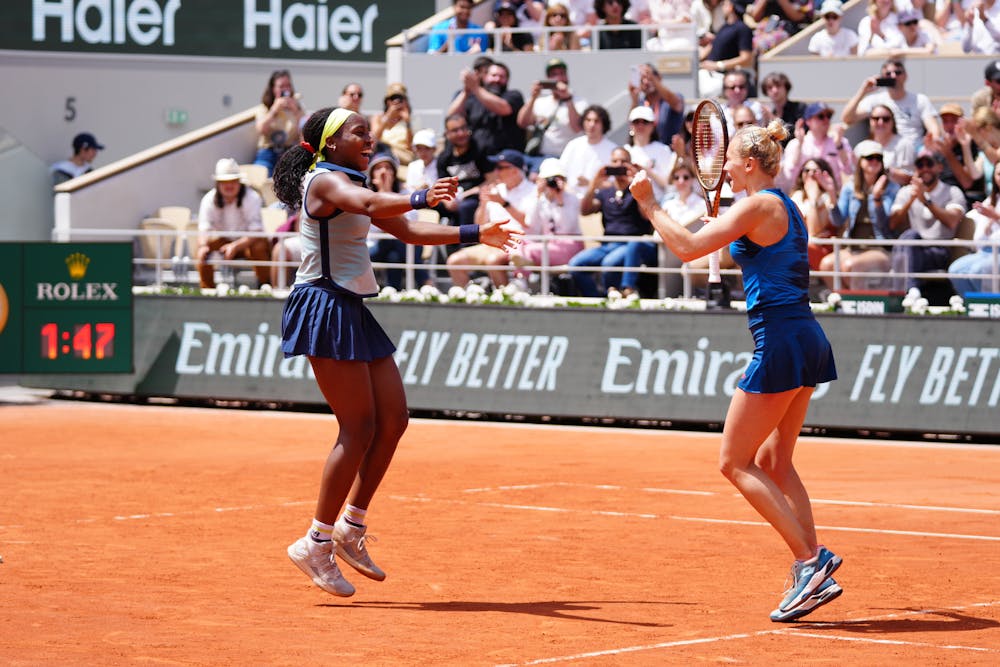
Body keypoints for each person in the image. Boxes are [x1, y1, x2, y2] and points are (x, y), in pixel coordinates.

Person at [272, 107, 520, 597]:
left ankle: (351, 528)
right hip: (323, 306)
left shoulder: (350, 179)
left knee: (394, 418)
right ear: (329, 144)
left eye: (370, 131)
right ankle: (315, 542)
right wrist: (419, 194)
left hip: (351, 307)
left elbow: (408, 230)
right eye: (358, 132)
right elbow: (364, 202)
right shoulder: (325, 182)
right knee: (358, 426)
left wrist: (475, 234)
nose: (370, 138)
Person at [629, 119, 842, 623]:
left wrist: (649, 203)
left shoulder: (757, 205)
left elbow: (684, 248)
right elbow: (719, 249)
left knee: (733, 461)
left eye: (728, 159)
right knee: (775, 462)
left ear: (749, 164)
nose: (720, 165)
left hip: (783, 339)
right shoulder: (778, 205)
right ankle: (811, 570)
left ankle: (811, 562)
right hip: (804, 336)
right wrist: (715, 228)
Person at [568, 147, 652, 296]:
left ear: (630, 164)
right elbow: (585, 210)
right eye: (615, 161)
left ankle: (622, 291)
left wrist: (636, 183)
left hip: (631, 244)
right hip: (608, 244)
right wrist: (594, 183)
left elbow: (647, 215)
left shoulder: (638, 188)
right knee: (576, 265)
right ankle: (597, 299)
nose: (619, 165)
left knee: (609, 263)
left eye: (623, 161)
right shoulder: (605, 191)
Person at [819, 140, 900, 290]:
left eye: (878, 158)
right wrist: (831, 195)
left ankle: (857, 306)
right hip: (853, 247)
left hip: (880, 248)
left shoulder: (891, 188)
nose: (874, 161)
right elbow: (838, 221)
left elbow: (886, 225)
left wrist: (876, 198)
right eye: (870, 158)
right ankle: (844, 304)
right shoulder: (850, 187)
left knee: (851, 266)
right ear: (860, 161)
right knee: (826, 264)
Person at [447, 150, 535, 288]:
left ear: (514, 170)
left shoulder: (533, 191)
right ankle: (474, 300)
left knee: (493, 261)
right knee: (454, 261)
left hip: (518, 245)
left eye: (500, 168)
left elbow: (529, 222)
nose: (496, 172)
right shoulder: (496, 189)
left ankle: (506, 303)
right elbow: (480, 224)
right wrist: (482, 205)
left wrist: (504, 203)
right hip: (492, 242)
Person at [623, 158, 706, 297]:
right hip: (664, 248)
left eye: (686, 177)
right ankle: (627, 288)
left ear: (692, 180)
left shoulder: (701, 205)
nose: (681, 181)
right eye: (676, 177)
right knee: (635, 245)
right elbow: (657, 232)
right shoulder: (669, 204)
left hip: (688, 251)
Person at [889, 147, 969, 290]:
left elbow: (952, 221)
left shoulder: (952, 192)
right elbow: (893, 224)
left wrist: (926, 201)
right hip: (913, 247)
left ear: (940, 167)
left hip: (940, 250)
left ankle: (906, 293)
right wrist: (911, 200)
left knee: (906, 247)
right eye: (920, 165)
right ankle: (911, 290)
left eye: (929, 164)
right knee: (909, 238)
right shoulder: (906, 192)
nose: (925, 169)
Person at [509, 158, 585, 287]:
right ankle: (522, 277)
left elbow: (566, 229)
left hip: (569, 246)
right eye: (549, 179)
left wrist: (560, 201)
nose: (553, 183)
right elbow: (531, 226)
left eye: (557, 178)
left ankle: (521, 280)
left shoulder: (572, 199)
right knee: (518, 241)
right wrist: (538, 196)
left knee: (529, 251)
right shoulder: (539, 200)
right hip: (546, 244)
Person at [195, 158, 271, 289]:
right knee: (202, 253)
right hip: (225, 242)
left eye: (233, 181)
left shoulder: (252, 197)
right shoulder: (209, 199)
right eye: (224, 182)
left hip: (249, 243)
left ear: (239, 182)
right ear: (218, 184)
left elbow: (256, 232)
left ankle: (265, 285)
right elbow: (204, 228)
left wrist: (235, 246)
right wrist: (203, 245)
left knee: (258, 247)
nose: (229, 185)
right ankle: (207, 290)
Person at [840, 58, 942, 150]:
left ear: (905, 75)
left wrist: (930, 146)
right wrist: (863, 91)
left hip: (915, 152)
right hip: (883, 152)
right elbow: (847, 118)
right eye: (888, 74)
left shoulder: (920, 100)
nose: (893, 76)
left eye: (897, 73)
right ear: (883, 77)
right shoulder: (875, 100)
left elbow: (934, 129)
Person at [366, 152, 430, 289]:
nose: (384, 172)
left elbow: (410, 222)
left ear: (394, 174)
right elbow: (378, 227)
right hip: (374, 246)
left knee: (394, 255)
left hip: (399, 244)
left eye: (388, 168)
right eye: (378, 168)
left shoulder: (405, 194)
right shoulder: (366, 196)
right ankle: (426, 282)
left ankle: (392, 291)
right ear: (372, 175)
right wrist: (383, 193)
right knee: (395, 242)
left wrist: (387, 193)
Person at [517, 58, 587, 172]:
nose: (558, 78)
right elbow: (522, 122)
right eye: (554, 75)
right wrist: (533, 97)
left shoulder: (579, 102)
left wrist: (567, 99)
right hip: (541, 158)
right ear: (548, 80)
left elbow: (577, 128)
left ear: (567, 77)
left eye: (562, 74)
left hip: (567, 160)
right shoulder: (540, 102)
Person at [446, 59, 526, 155]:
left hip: (505, 156)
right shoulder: (470, 96)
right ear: (484, 77)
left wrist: (475, 88)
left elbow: (504, 109)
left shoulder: (514, 95)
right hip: (476, 156)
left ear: (507, 80)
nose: (497, 80)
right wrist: (466, 92)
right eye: (493, 76)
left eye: (502, 77)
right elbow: (452, 117)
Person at [780, 102, 854, 192]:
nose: (826, 120)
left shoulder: (840, 142)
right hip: (804, 196)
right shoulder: (796, 144)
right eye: (821, 116)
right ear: (808, 121)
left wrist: (839, 146)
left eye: (829, 116)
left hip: (831, 195)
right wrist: (800, 145)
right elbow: (790, 175)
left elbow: (849, 170)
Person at [948, 167, 1000, 295]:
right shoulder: (992, 200)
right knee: (956, 270)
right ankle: (972, 306)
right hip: (985, 251)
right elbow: (981, 234)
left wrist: (995, 217)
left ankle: (989, 307)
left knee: (977, 270)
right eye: (999, 174)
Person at [926, 103, 987, 204]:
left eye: (954, 121)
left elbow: (967, 183)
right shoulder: (940, 146)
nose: (950, 126)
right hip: (941, 198)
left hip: (968, 201)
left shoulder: (971, 145)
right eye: (945, 121)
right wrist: (929, 152)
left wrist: (948, 153)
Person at [789, 158, 840, 271]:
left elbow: (814, 230)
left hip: (822, 248)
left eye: (815, 171)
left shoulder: (828, 198)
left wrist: (813, 198)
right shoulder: (796, 196)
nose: (810, 174)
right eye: (806, 170)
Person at [254, 70, 306, 176]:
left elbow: (305, 131)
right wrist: (274, 110)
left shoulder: (298, 107)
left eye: (288, 86)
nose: (285, 90)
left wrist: (295, 111)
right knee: (262, 173)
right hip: (268, 151)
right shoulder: (265, 108)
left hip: (290, 151)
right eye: (281, 86)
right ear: (273, 89)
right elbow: (261, 129)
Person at [558, 104, 617, 197]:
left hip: (597, 202)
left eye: (596, 121)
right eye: (588, 120)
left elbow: (615, 184)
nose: (591, 124)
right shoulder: (573, 145)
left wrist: (590, 183)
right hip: (570, 199)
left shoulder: (613, 150)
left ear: (603, 124)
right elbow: (560, 172)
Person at [698, 0, 754, 98]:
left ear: (731, 7)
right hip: (707, 75)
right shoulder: (723, 28)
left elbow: (747, 59)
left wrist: (718, 65)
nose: (722, 7)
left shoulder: (742, 28)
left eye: (724, 4)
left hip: (723, 79)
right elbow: (710, 49)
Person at [627, 62, 686, 149]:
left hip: (670, 153)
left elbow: (676, 104)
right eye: (641, 79)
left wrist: (654, 80)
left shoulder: (671, 99)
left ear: (659, 77)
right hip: (647, 153)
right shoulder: (641, 103)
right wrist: (634, 99)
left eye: (649, 78)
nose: (646, 82)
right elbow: (632, 123)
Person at [624, 105, 676, 201]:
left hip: (659, 202)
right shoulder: (625, 150)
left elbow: (668, 184)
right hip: (631, 205)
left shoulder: (663, 150)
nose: (640, 125)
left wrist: (645, 170)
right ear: (630, 125)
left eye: (645, 122)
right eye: (636, 122)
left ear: (653, 125)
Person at [864, 102, 916, 186]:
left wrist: (885, 170)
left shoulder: (904, 144)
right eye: (876, 118)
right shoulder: (865, 145)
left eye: (886, 119)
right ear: (870, 121)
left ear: (893, 122)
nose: (880, 122)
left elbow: (910, 178)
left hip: (896, 194)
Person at [370, 83, 414, 165]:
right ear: (387, 101)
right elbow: (374, 139)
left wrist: (408, 122)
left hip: (403, 160)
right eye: (393, 98)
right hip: (381, 157)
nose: (396, 101)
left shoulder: (411, 120)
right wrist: (388, 116)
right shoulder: (378, 118)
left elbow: (411, 147)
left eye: (400, 98)